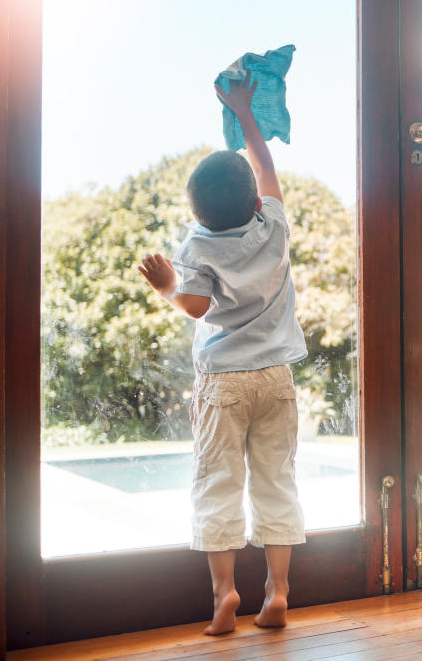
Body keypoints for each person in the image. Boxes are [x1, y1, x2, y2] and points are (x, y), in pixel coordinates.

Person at [138, 72, 308, 635]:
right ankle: (279, 591)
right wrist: (245, 110)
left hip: (224, 385)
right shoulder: (274, 226)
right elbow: (265, 164)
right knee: (276, 482)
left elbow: (194, 306)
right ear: (255, 201)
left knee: (218, 484)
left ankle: (224, 596)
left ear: (198, 213)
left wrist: (166, 285)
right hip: (276, 380)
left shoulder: (197, 245)